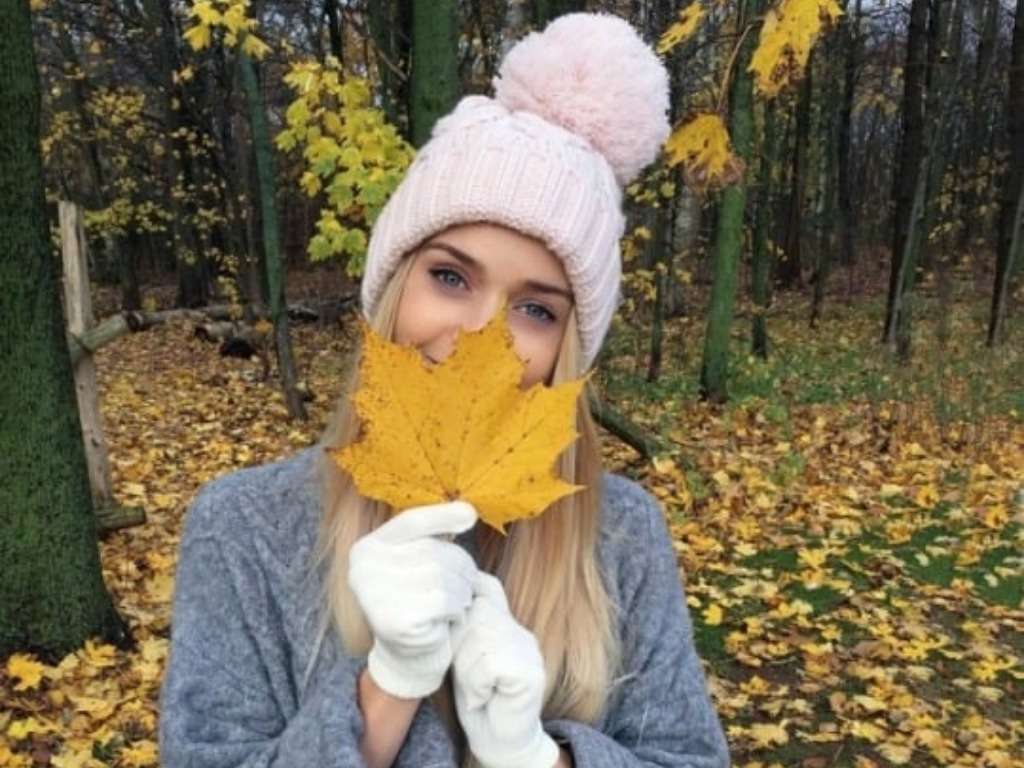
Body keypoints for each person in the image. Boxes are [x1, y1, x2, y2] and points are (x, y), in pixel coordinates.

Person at [159, 12, 730, 768]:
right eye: (450, 277)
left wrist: (538, 757)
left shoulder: (619, 535)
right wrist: (387, 691)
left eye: (536, 309)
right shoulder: (244, 528)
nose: (478, 336)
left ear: (568, 350)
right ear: (391, 288)